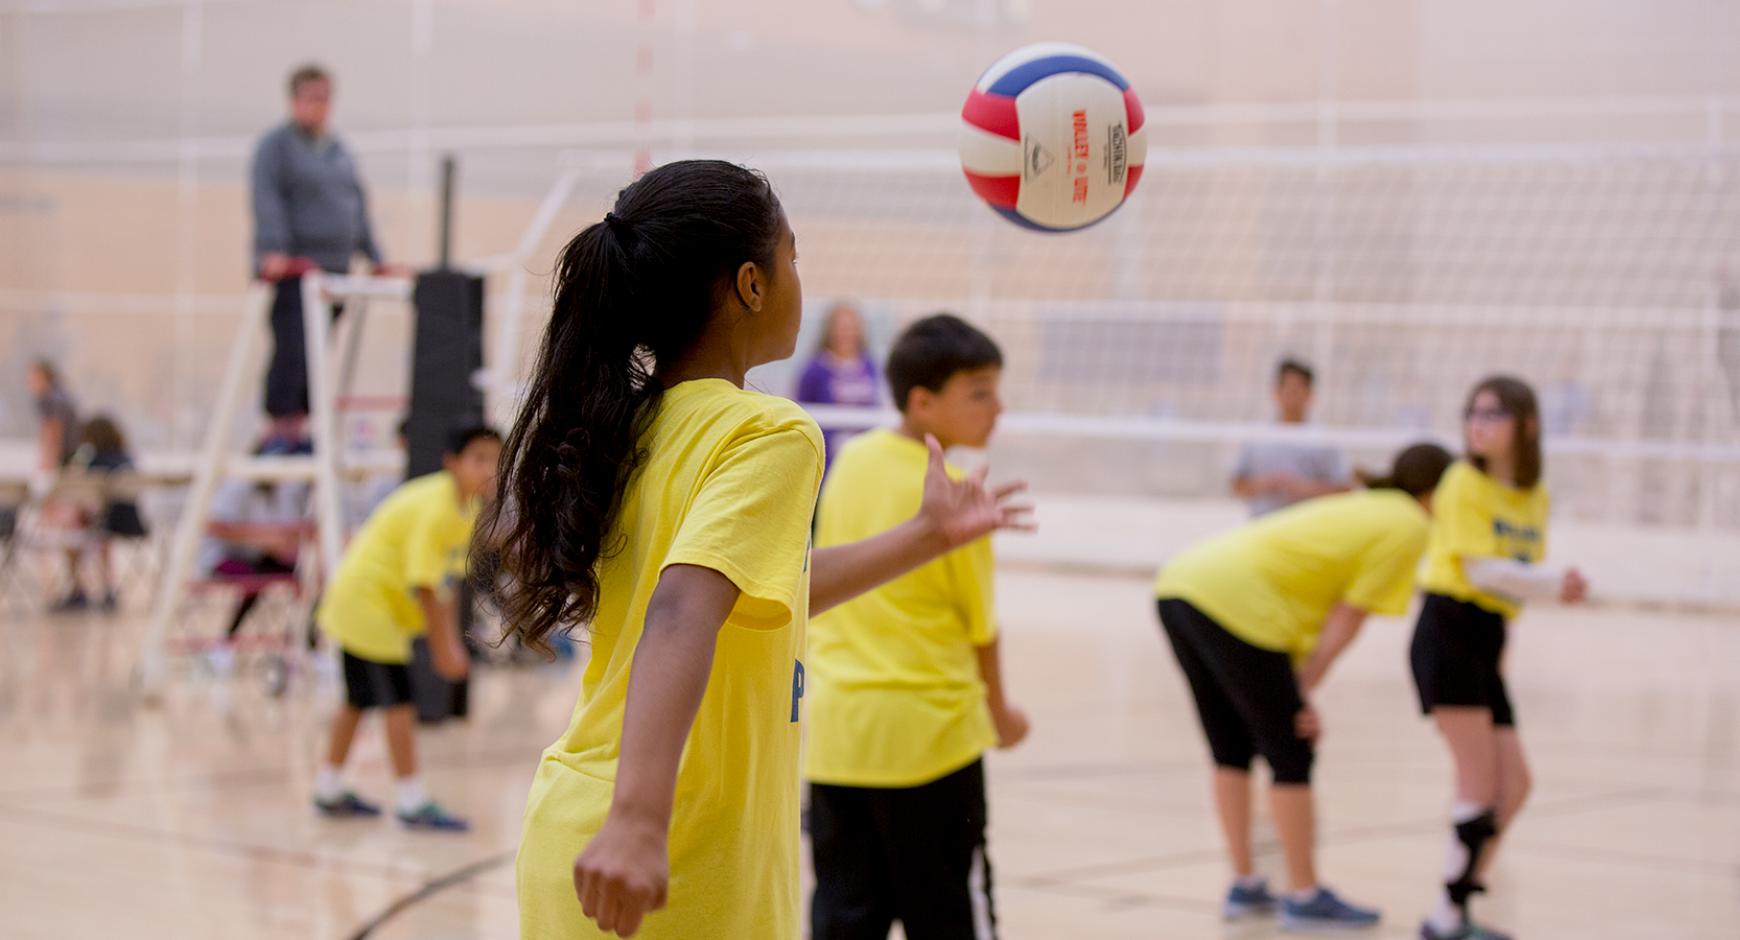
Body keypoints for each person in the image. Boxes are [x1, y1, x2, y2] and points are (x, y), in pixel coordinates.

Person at [488, 160, 1030, 939]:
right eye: (793, 258)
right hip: (671, 849)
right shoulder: (769, 430)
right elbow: (681, 611)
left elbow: (746, 596)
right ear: (749, 283)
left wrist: (925, 535)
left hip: (579, 829)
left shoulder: (630, 425)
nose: (798, 280)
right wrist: (641, 820)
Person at [1156, 442, 1456, 931]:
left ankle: (1246, 884)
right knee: (1291, 748)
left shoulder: (1371, 505)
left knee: (1230, 746)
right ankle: (1304, 894)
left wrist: (1293, 687)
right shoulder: (1411, 526)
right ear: (1434, 493)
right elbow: (1348, 617)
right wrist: (1303, 691)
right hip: (1238, 601)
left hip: (1182, 585)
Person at [804, 313, 1029, 940]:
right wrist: (1004, 715)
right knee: (949, 919)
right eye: (980, 392)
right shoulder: (957, 499)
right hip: (932, 740)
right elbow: (981, 628)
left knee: (845, 921)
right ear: (923, 402)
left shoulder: (849, 462)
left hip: (839, 736)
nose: (998, 409)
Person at [1413, 377, 1588, 940]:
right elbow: (1481, 570)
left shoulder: (1534, 497)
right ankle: (1444, 919)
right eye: (1471, 413)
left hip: (1486, 640)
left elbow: (1510, 588)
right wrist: (1555, 582)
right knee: (1479, 783)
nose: (1478, 423)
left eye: (1493, 413)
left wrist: (1539, 590)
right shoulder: (1462, 481)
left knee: (1514, 787)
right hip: (1447, 629)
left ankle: (1457, 904)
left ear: (1527, 425)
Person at [311, 425, 502, 830]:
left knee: (358, 700)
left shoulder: (466, 510)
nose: (490, 469)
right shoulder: (435, 508)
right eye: (479, 459)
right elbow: (426, 586)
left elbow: (446, 583)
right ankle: (411, 801)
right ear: (452, 463)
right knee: (399, 702)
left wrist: (448, 639)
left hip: (370, 607)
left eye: (496, 459)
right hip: (366, 605)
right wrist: (444, 647)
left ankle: (328, 789)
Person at [251, 64, 400, 441]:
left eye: (325, 98)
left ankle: (304, 426)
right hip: (297, 271)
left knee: (318, 352)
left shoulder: (339, 151)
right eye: (312, 98)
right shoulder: (276, 148)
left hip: (336, 271)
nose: (320, 106)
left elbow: (356, 205)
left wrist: (375, 256)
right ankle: (282, 425)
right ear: (295, 100)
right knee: (293, 349)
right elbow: (266, 199)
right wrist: (274, 250)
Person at [199, 438, 312, 673]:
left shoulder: (284, 490)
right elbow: (215, 525)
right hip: (223, 556)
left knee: (306, 577)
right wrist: (262, 539)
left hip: (260, 555)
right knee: (255, 579)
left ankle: (302, 644)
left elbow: (288, 531)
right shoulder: (237, 485)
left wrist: (282, 542)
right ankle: (224, 644)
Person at [53, 415, 149, 613]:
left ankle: (78, 589)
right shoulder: (127, 459)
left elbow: (87, 498)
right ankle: (108, 590)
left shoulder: (94, 461)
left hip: (108, 522)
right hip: (135, 523)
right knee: (99, 536)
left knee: (74, 536)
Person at [1232, 358, 1351, 516]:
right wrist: (1267, 484)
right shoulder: (1257, 436)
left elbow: (1344, 489)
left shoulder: (1324, 439)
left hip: (1306, 528)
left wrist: (1305, 489)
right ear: (1276, 392)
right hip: (1262, 527)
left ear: (1309, 395)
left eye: (1296, 389)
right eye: (1286, 389)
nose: (1291, 396)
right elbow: (1237, 485)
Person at [794, 300, 880, 467]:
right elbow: (801, 409)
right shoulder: (815, 369)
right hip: (828, 458)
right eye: (841, 327)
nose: (846, 333)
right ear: (830, 330)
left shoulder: (869, 366)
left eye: (851, 327)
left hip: (862, 455)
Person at [28, 360, 79, 474]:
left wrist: (46, 460)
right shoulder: (60, 393)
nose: (30, 383)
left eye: (34, 378)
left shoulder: (50, 398)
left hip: (64, 453)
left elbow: (53, 430)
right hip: (71, 451)